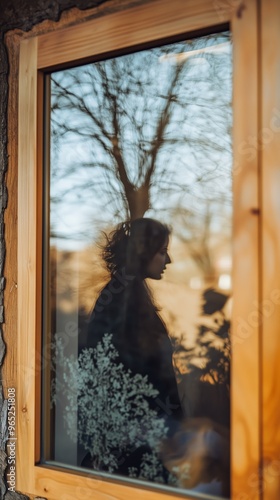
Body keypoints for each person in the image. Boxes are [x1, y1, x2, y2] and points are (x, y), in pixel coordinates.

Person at [81, 218, 184, 480]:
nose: (168, 260)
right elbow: (124, 371)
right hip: (136, 438)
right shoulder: (123, 300)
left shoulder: (129, 293)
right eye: (162, 252)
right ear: (142, 253)